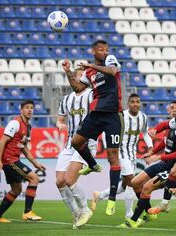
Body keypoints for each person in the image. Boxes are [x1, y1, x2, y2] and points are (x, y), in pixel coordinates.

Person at [63, 39, 123, 216]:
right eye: (101, 50)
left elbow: (112, 72)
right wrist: (68, 72)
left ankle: (111, 199)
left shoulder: (110, 60)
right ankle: (92, 164)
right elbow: (76, 88)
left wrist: (90, 65)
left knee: (113, 157)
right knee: (76, 142)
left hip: (112, 114)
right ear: (93, 51)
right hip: (96, 113)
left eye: (106, 49)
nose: (105, 52)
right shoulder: (89, 72)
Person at [119, 101, 176, 228]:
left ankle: (133, 221)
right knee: (134, 183)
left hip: (174, 168)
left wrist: (157, 157)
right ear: (168, 110)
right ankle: (149, 212)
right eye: (172, 108)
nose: (174, 110)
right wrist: (152, 152)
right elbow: (164, 143)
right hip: (164, 164)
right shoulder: (170, 127)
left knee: (146, 188)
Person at [90, 94, 153, 218]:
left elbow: (145, 133)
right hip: (120, 153)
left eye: (137, 102)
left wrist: (150, 147)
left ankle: (100, 195)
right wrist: (110, 149)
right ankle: (130, 215)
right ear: (128, 104)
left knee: (124, 186)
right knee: (132, 183)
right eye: (133, 102)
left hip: (132, 154)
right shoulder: (121, 116)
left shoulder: (143, 117)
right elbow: (106, 131)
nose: (135, 104)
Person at [0, 100, 46, 223]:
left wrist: (35, 162)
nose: (30, 110)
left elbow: (24, 147)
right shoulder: (15, 123)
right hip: (9, 160)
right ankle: (27, 212)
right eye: (27, 107)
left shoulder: (28, 127)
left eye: (32, 108)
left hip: (13, 159)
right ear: (21, 109)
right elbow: (2, 142)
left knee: (16, 190)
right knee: (34, 179)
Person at [55, 68, 95, 229]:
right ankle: (76, 212)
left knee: (69, 180)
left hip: (86, 143)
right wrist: (60, 124)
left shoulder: (92, 95)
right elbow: (60, 119)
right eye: (79, 75)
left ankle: (85, 210)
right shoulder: (66, 99)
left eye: (83, 76)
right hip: (69, 144)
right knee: (59, 182)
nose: (80, 78)